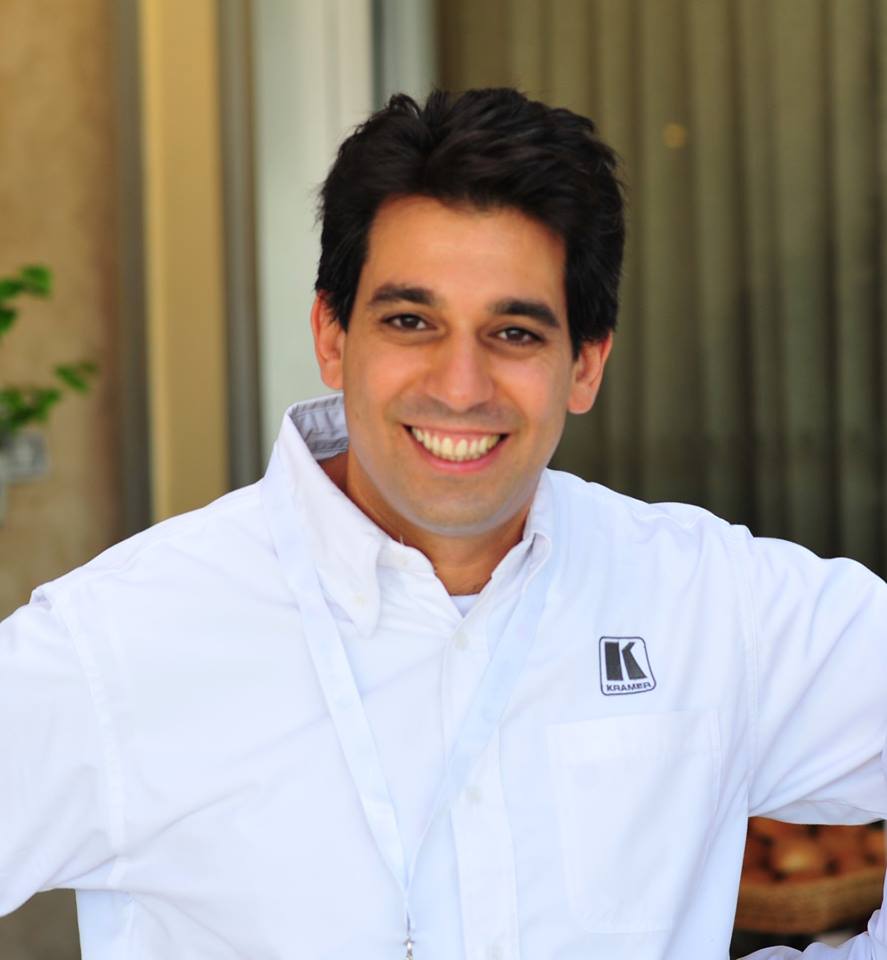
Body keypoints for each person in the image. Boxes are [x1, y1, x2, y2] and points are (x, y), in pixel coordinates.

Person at [1, 88, 885, 960]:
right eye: (410, 321)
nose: (459, 387)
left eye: (514, 333)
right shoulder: (121, 640)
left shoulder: (707, 600)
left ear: (585, 366)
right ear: (331, 337)